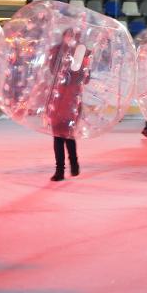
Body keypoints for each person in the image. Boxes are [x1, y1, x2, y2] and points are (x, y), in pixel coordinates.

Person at [46, 28, 91, 181]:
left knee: (68, 134)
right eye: (67, 35)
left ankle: (74, 163)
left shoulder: (81, 53)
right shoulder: (57, 52)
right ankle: (60, 170)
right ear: (63, 36)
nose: (69, 38)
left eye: (72, 36)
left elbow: (85, 78)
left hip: (72, 98)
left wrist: (80, 65)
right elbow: (52, 70)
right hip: (58, 97)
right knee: (57, 135)